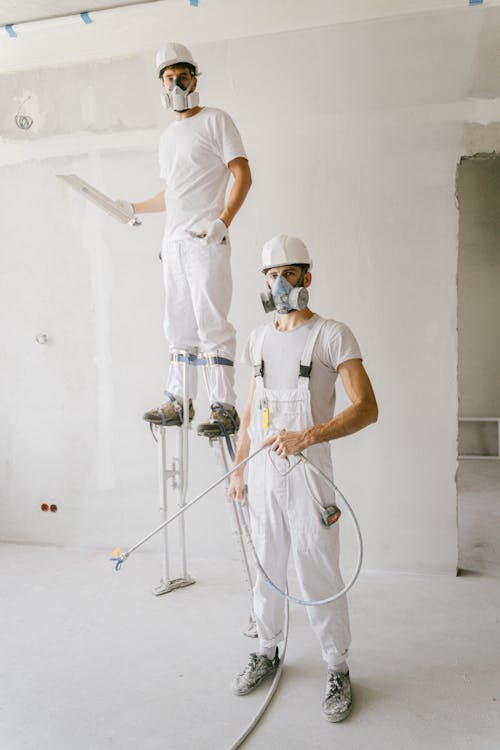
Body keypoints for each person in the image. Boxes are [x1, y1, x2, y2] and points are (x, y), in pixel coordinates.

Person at [226, 234, 378, 723]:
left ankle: (337, 667)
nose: (279, 282)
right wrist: (240, 463)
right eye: (271, 275)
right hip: (265, 473)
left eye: (288, 273)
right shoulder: (258, 338)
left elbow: (367, 409)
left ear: (306, 278)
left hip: (310, 475)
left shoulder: (332, 336)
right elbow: (251, 407)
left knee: (317, 572)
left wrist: (309, 436)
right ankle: (267, 651)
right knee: (267, 568)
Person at [124, 42, 252, 435]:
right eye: (168, 79)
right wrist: (133, 208)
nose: (176, 84)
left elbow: (242, 173)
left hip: (205, 239)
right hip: (175, 243)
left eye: (182, 76)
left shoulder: (216, 121)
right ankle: (179, 401)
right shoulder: (168, 137)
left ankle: (223, 406)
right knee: (177, 325)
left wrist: (223, 221)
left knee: (211, 322)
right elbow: (174, 193)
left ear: (195, 78)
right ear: (161, 86)